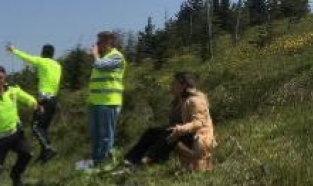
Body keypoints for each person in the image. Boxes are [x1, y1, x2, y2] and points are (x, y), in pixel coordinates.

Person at [124, 72, 216, 170]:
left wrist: (180, 129)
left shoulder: (195, 100)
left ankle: (146, 161)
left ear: (183, 85)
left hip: (199, 137)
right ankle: (131, 160)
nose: (171, 86)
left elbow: (199, 122)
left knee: (169, 133)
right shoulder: (179, 101)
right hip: (187, 134)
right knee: (152, 132)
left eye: (174, 83)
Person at [76, 31, 127, 171]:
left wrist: (95, 55)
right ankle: (96, 160)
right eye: (98, 41)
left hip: (109, 102)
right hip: (96, 102)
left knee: (105, 135)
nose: (98, 44)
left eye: (101, 41)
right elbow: (97, 65)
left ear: (110, 42)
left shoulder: (116, 56)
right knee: (96, 134)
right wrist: (93, 55)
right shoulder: (103, 57)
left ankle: (103, 163)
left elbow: (100, 65)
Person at [6, 43, 62, 163]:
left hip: (44, 100)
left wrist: (13, 50)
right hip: (54, 100)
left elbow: (27, 58)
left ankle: (48, 148)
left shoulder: (42, 61)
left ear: (43, 52)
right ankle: (44, 154)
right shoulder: (57, 65)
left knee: (35, 126)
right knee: (44, 128)